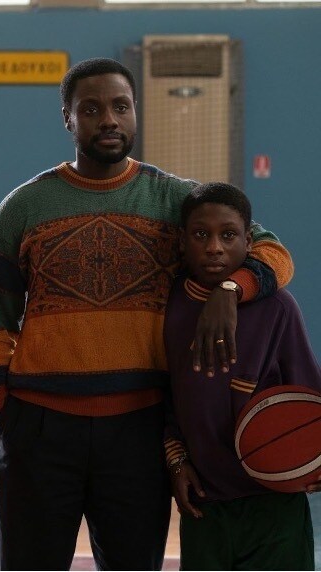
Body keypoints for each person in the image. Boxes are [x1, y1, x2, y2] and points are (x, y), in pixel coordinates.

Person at [0, 57, 295, 570]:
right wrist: (5, 409)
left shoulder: (175, 201)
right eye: (92, 108)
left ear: (135, 113)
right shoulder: (23, 208)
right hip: (39, 428)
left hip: (139, 431)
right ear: (67, 118)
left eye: (120, 106)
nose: (109, 120)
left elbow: (274, 251)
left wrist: (230, 289)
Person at [164, 182, 321, 570]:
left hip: (274, 503)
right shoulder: (166, 308)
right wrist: (175, 459)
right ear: (182, 242)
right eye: (201, 235)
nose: (214, 246)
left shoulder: (278, 307)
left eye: (228, 235)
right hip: (206, 504)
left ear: (249, 241)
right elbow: (164, 398)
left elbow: (309, 398)